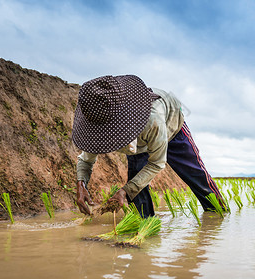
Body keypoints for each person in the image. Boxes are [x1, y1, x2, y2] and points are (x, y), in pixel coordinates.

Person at [72, 75, 223, 217]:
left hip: (172, 127)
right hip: (139, 140)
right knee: (137, 189)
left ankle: (219, 213)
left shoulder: (153, 118)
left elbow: (157, 163)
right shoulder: (99, 117)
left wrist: (125, 191)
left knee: (195, 175)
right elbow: (86, 159)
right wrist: (81, 184)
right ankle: (145, 225)